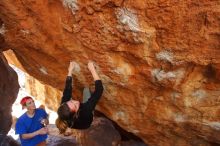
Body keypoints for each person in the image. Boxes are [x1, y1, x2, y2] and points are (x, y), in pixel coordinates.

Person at [56, 61, 104, 134]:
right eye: (75, 105)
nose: (76, 101)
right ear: (75, 112)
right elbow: (99, 90)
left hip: (75, 120)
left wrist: (70, 70)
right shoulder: (86, 111)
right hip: (86, 123)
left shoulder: (64, 108)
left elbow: (67, 91)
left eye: (71, 101)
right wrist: (92, 69)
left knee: (85, 91)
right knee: (86, 90)